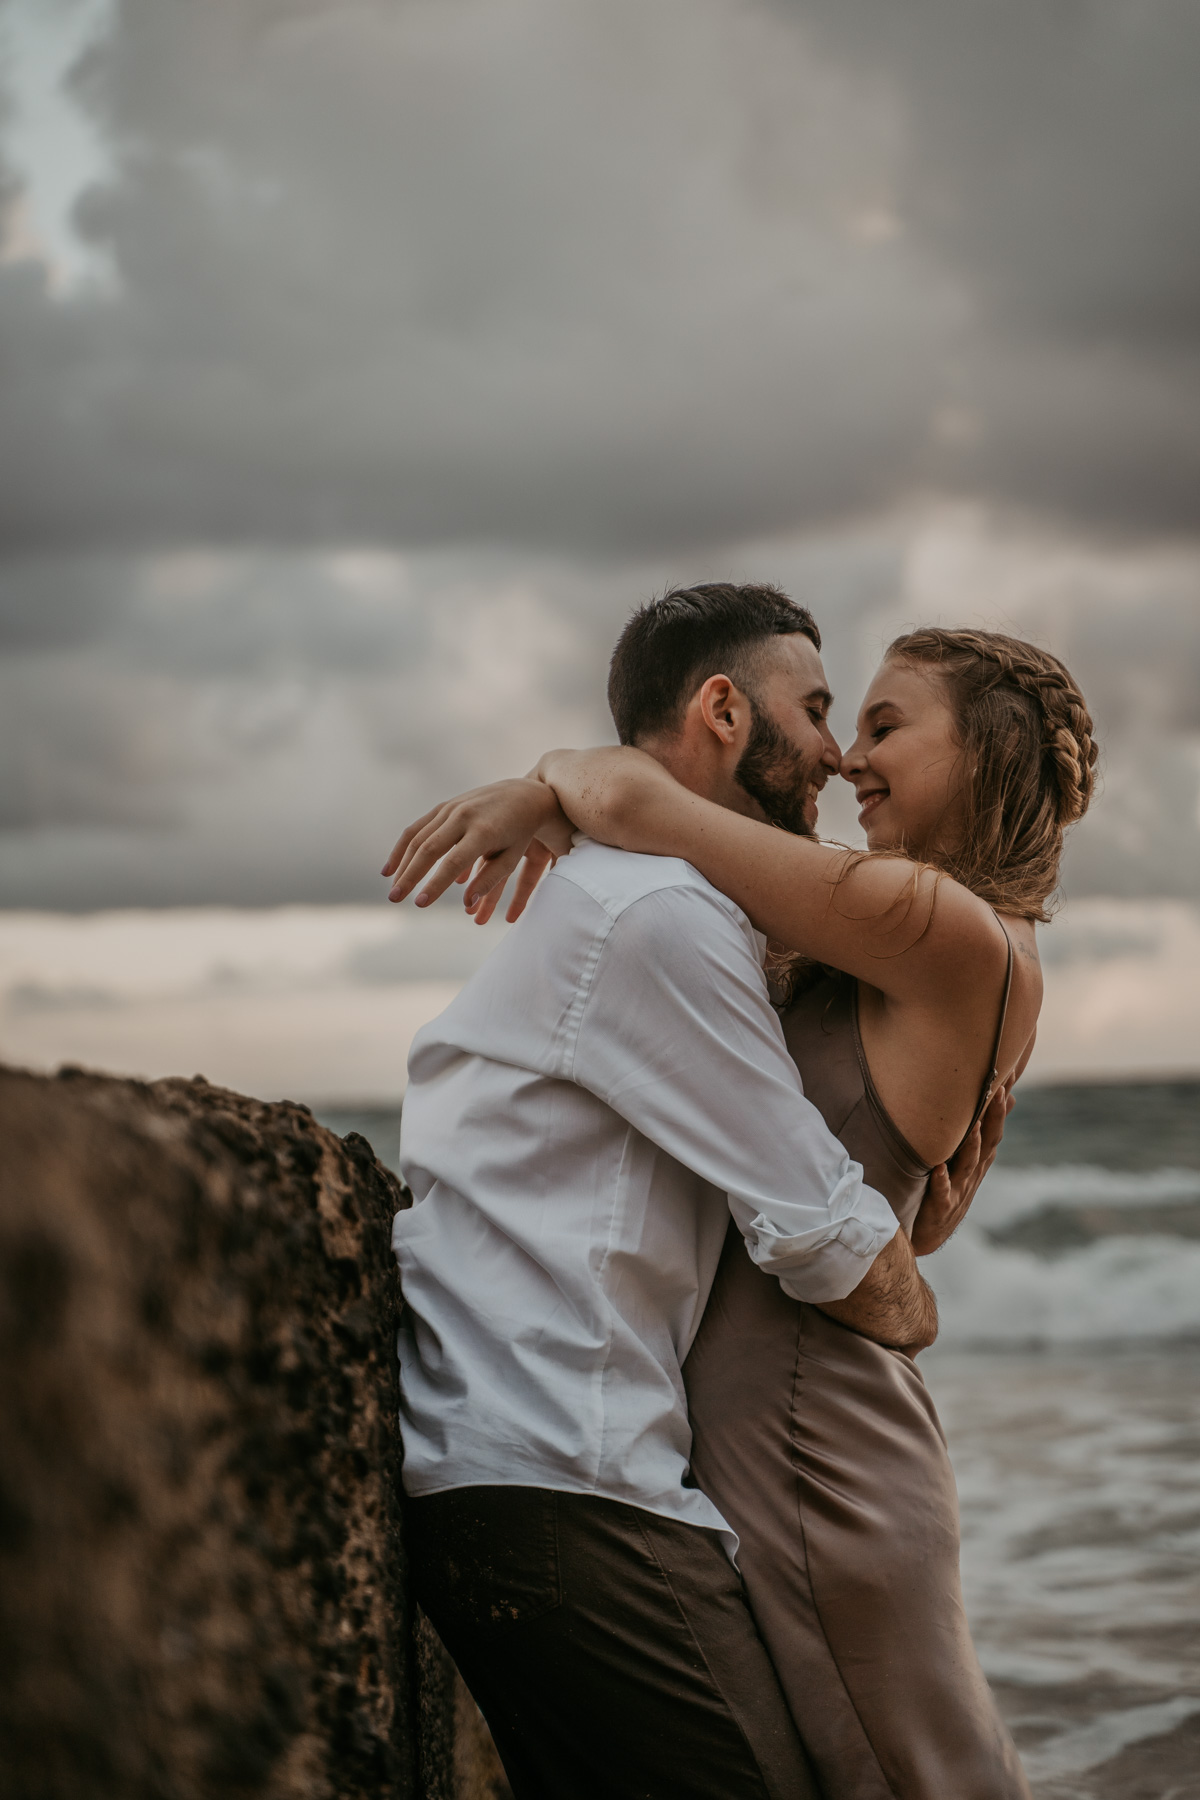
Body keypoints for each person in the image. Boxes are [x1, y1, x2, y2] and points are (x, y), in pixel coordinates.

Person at [389, 594, 1097, 1800]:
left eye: (881, 724)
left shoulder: (942, 927)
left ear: (984, 754)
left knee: (914, 1776)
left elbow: (645, 804)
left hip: (818, 1431)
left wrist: (550, 787)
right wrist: (559, 798)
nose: (846, 755)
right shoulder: (852, 924)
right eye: (833, 716)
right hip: (722, 1439)